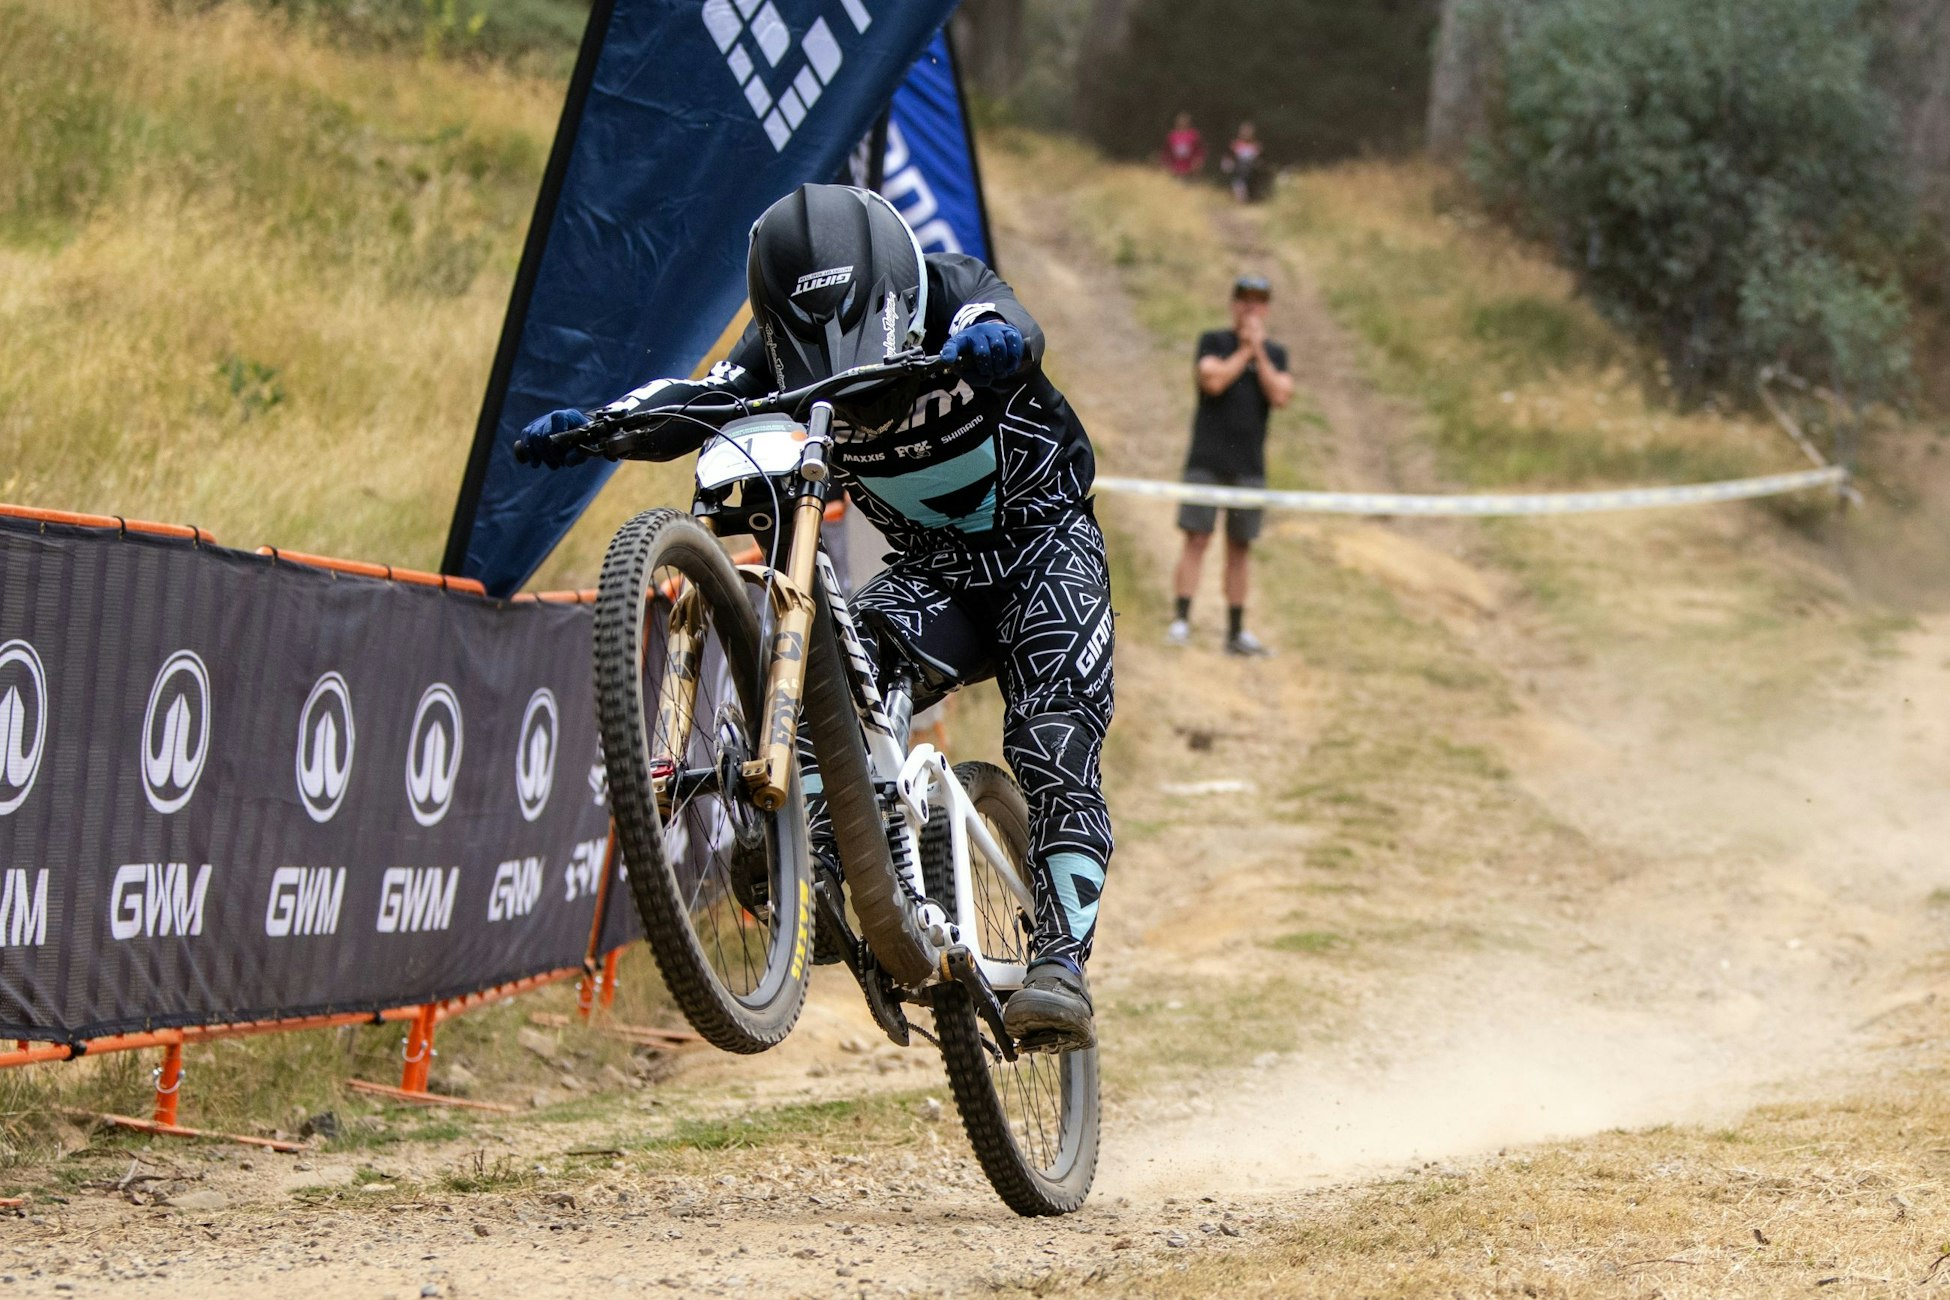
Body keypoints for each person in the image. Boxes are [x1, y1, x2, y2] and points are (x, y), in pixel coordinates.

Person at [522, 185, 1113, 1052]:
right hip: (936, 577)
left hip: (1044, 551)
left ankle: (1061, 962)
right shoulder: (772, 348)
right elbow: (700, 396)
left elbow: (1015, 325)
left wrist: (995, 346)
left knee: (1051, 742)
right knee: (844, 652)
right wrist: (603, 426)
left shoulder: (955, 293)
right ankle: (826, 850)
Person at [1167, 274, 1294, 655]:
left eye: (1259, 301)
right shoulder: (1214, 342)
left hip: (1249, 468)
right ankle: (1181, 621)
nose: (1251, 308)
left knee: (1240, 548)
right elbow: (1213, 380)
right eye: (1244, 300)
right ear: (1233, 304)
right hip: (1206, 461)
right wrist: (1244, 350)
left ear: (1267, 308)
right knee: (1197, 539)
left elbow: (1282, 394)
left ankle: (1235, 632)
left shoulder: (1276, 354)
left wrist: (1260, 353)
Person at [1220, 121, 1265, 204]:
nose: (1247, 134)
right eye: (1244, 131)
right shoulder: (1235, 145)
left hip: (1253, 172)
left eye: (1249, 132)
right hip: (1238, 172)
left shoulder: (1257, 146)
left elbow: (1261, 160)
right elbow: (1227, 158)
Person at [1161, 111, 1206, 180]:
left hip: (1189, 171)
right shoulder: (1172, 136)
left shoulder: (1194, 135)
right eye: (1180, 122)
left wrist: (1198, 164)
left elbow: (1200, 152)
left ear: (1189, 123)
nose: (1182, 123)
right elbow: (1166, 152)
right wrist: (1166, 165)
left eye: (1185, 122)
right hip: (1174, 170)